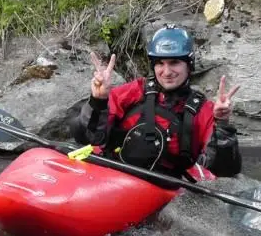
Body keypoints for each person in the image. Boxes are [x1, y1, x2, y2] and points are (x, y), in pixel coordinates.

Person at [70, 24, 242, 179]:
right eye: (160, 63)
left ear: (189, 65)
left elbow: (226, 170)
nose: (166, 72)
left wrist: (223, 125)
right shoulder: (135, 91)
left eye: (174, 62)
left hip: (161, 187)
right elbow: (88, 137)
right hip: (114, 172)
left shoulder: (204, 110)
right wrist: (98, 101)